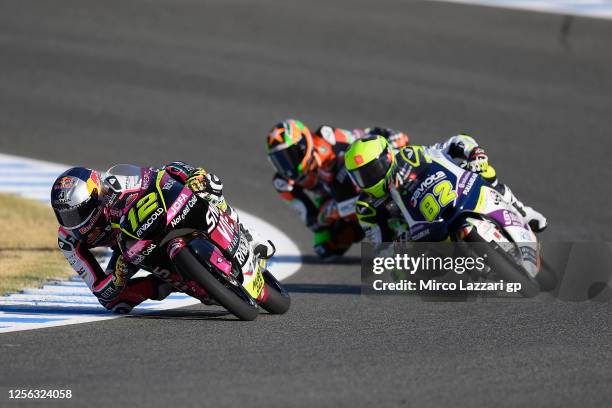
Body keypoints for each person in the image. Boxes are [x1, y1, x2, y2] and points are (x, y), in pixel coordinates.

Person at [51, 162, 273, 314]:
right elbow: (99, 288)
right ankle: (169, 283)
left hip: (148, 220)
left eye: (77, 212)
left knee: (205, 184)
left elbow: (157, 174)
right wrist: (118, 278)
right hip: (126, 250)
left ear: (96, 195)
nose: (74, 221)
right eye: (65, 216)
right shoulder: (68, 240)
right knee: (112, 301)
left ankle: (242, 231)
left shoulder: (114, 184)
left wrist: (191, 177)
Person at [344, 134, 548, 245]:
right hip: (420, 236)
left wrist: (474, 154)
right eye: (360, 176)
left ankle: (521, 211)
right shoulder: (366, 207)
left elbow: (452, 144)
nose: (368, 179)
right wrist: (399, 245)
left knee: (485, 171)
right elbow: (379, 249)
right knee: (400, 275)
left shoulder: (409, 155)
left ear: (387, 158)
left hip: (450, 198)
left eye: (371, 170)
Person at [265, 119, 409, 260]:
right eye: (279, 161)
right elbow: (313, 221)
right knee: (325, 246)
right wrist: (327, 213)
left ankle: (398, 212)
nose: (287, 167)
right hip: (336, 202)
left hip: (364, 182)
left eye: (289, 156)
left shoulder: (328, 138)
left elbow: (363, 140)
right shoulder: (284, 183)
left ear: (303, 145)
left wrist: (390, 138)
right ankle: (379, 227)